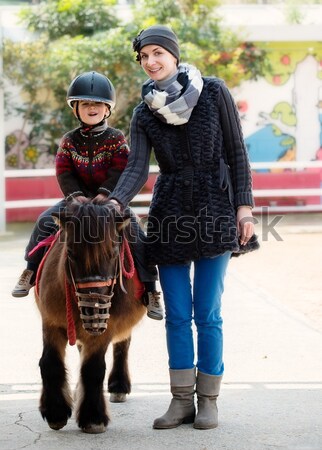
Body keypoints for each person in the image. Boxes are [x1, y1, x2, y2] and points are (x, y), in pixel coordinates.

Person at [108, 25, 259, 429]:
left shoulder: (213, 91)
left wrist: (244, 208)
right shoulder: (144, 112)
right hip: (170, 212)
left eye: (158, 53)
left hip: (215, 207)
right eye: (144, 57)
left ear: (174, 55)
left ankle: (208, 399)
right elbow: (137, 168)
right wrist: (112, 203)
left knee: (207, 312)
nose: (152, 62)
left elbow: (236, 152)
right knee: (176, 314)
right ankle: (180, 401)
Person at [11, 71, 163, 321]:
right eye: (86, 104)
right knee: (44, 221)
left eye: (97, 104)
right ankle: (29, 270)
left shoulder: (116, 139)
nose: (92, 107)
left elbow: (119, 170)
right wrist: (75, 196)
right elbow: (64, 172)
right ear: (76, 109)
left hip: (111, 201)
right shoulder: (69, 141)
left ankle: (150, 289)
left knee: (137, 234)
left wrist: (106, 195)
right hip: (76, 201)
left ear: (107, 109)